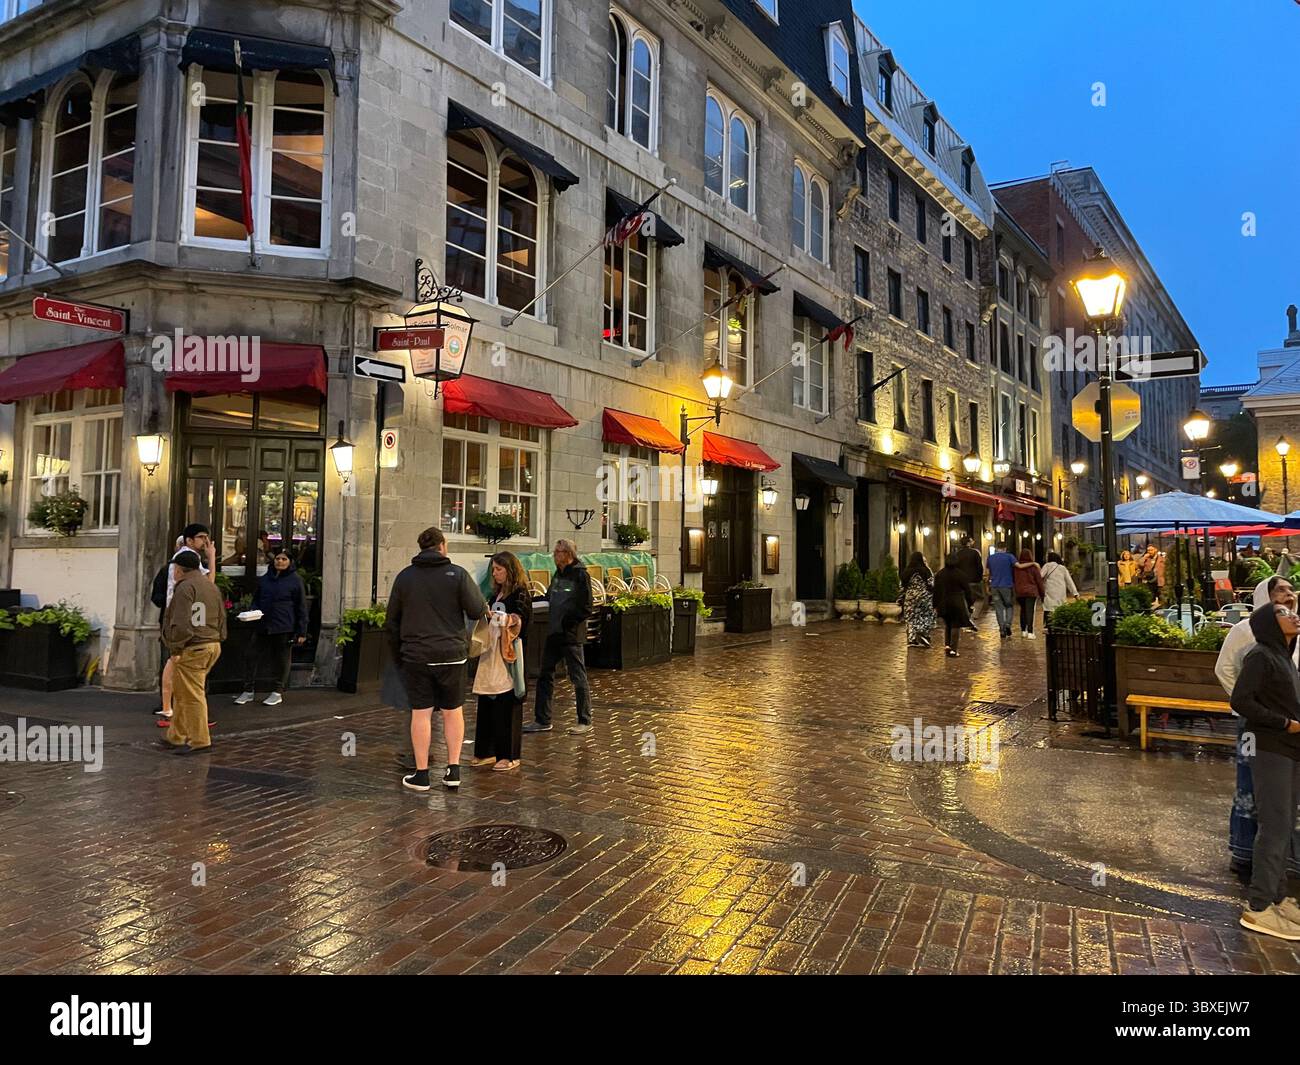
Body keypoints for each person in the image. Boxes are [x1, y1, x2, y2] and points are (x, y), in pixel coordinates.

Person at [384, 526, 488, 792]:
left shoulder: (405, 578)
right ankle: (453, 770)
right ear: (442, 546)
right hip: (451, 654)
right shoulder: (458, 575)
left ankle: (422, 774)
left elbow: (391, 622)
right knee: (453, 712)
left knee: (421, 713)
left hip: (416, 655)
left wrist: (400, 656)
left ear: (421, 547)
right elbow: (477, 609)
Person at [1216, 576, 1300, 874]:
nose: (1289, 595)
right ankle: (1244, 851)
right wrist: (1252, 706)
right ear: (1266, 596)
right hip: (1258, 726)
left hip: (1290, 724)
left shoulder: (1295, 629)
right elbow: (1224, 669)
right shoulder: (1245, 631)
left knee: (1284, 793)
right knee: (1250, 784)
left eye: (1291, 590)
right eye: (1281, 590)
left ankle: (1285, 857)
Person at [1232, 601, 1300, 941]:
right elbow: (1241, 701)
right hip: (1270, 747)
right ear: (1269, 624)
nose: (1293, 614)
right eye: (1284, 613)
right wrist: (1284, 723)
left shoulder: (1283, 656)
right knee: (1274, 825)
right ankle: (1258, 907)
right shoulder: (1261, 655)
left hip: (1288, 749)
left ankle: (1277, 896)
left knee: (1284, 824)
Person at [149, 523, 217, 728]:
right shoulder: (190, 558)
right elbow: (209, 585)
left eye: (206, 537)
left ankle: (172, 708)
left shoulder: (183, 558)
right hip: (182, 619)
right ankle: (174, 709)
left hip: (177, 617)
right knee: (180, 662)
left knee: (177, 662)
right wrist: (212, 557)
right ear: (189, 540)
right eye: (201, 537)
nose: (205, 541)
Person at [469, 551, 532, 772]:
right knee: (487, 700)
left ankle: (509, 754)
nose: (495, 573)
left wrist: (502, 618)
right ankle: (486, 751)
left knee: (507, 701)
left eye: (499, 569)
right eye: (493, 569)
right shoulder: (495, 593)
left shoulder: (521, 593)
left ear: (510, 570)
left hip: (509, 654)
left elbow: (520, 620)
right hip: (491, 651)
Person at [159, 550, 226, 754]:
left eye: (175, 569)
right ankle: (176, 736)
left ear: (179, 569)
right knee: (183, 691)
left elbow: (180, 621)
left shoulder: (185, 587)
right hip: (211, 643)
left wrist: (175, 647)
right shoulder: (210, 586)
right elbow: (222, 616)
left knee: (192, 695)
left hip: (194, 645)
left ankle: (200, 740)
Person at [525, 539, 594, 735]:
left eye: (557, 553)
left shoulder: (581, 575)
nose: (554, 556)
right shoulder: (558, 574)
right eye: (554, 553)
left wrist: (568, 623)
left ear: (568, 554)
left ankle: (584, 719)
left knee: (578, 677)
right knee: (544, 675)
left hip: (571, 636)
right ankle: (542, 719)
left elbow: (586, 607)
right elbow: (549, 597)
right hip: (554, 633)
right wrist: (530, 601)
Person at [234, 549, 307, 706]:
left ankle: (277, 691)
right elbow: (257, 598)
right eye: (278, 559)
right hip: (263, 623)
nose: (279, 561)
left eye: (283, 559)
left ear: (290, 562)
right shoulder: (266, 579)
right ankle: (248, 690)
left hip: (283, 625)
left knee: (282, 659)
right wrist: (254, 610)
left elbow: (301, 606)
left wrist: (302, 630)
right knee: (251, 655)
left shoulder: (295, 580)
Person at [932, 554, 971, 658]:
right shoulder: (960, 574)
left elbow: (936, 591)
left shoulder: (940, 574)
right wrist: (970, 603)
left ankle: (947, 645)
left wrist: (934, 604)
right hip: (957, 601)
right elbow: (967, 590)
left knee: (947, 624)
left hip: (944, 602)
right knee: (955, 625)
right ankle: (953, 649)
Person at [899, 551, 935, 649]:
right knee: (925, 615)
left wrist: (900, 598)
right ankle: (923, 634)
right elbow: (931, 584)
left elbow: (902, 587)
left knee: (910, 618)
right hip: (924, 597)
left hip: (910, 597)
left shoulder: (906, 571)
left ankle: (912, 639)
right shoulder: (926, 570)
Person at [986, 542, 1017, 639]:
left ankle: (1002, 629)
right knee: (1009, 605)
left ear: (996, 548)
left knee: (998, 608)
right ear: (1005, 548)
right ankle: (1008, 624)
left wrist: (988, 584)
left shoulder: (990, 558)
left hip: (995, 585)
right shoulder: (1009, 557)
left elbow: (987, 572)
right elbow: (1018, 566)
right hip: (1006, 585)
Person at [1013, 549, 1045, 638]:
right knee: (1030, 611)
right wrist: (1042, 594)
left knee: (1023, 610)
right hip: (1031, 592)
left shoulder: (1016, 568)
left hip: (1020, 592)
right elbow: (1039, 581)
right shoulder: (1033, 567)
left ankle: (1023, 631)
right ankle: (1030, 632)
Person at [955, 536, 985, 630]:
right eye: (971, 541)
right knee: (980, 598)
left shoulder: (957, 554)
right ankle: (972, 617)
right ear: (968, 543)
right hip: (974, 580)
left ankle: (966, 619)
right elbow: (979, 567)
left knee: (964, 600)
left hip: (961, 581)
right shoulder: (975, 553)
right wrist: (980, 578)